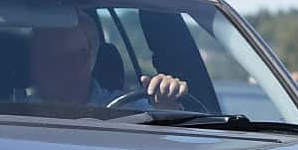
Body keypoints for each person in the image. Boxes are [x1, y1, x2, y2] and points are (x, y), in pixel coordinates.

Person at [26, 16, 187, 108]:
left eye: (62, 58)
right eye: (42, 56)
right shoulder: (17, 113)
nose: (47, 67)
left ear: (88, 58)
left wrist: (167, 104)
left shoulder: (128, 110)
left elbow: (167, 143)